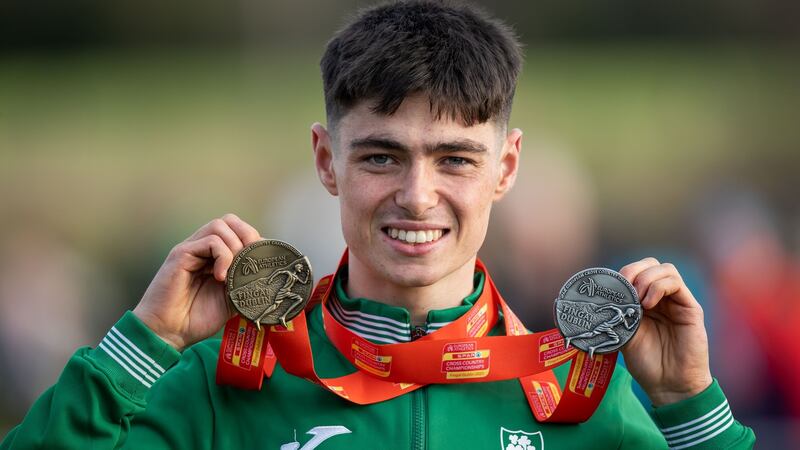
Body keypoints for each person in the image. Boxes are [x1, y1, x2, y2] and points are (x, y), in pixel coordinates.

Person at [1, 1, 755, 449]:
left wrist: (693, 406)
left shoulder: (577, 399)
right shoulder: (225, 386)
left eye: (455, 159)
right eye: (382, 157)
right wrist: (142, 344)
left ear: (507, 168)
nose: (418, 197)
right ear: (326, 161)